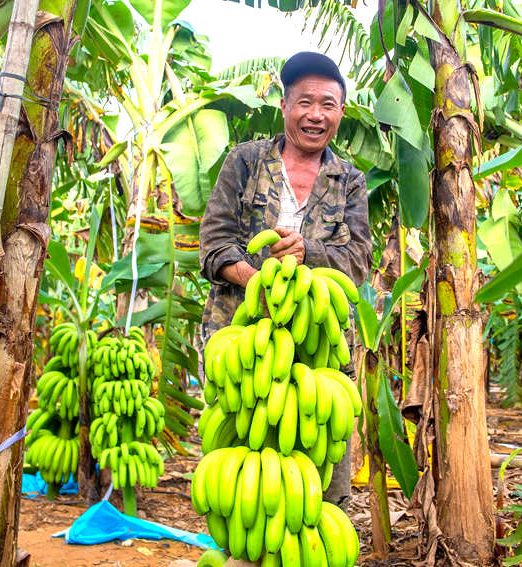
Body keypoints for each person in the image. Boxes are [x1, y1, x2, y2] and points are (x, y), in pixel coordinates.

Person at [198, 52, 372, 508]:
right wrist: (260, 278)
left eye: (328, 105)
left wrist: (306, 254)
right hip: (244, 343)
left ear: (340, 113)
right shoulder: (246, 162)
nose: (316, 115)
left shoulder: (349, 181)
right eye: (305, 102)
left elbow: (357, 262)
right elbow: (214, 245)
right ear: (284, 104)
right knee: (243, 477)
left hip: (319, 349)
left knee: (321, 483)